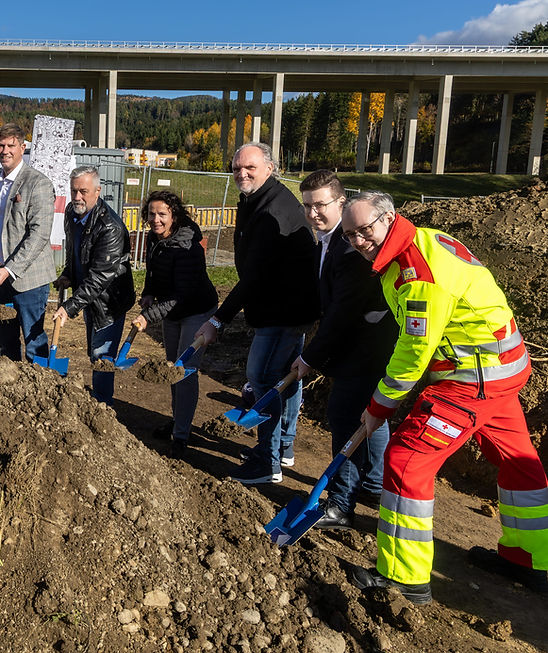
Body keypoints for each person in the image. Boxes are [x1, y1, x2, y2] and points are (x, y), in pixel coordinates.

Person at [341, 191, 548, 604]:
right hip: (502, 367)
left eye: (365, 230)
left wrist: (379, 406)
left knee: (405, 460)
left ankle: (403, 577)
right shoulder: (423, 239)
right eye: (349, 236)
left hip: (473, 379)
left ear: (388, 218)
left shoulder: (417, 274)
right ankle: (532, 559)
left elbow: (415, 351)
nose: (360, 241)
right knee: (518, 461)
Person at [195, 142, 318, 484]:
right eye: (236, 168)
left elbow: (256, 276)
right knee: (284, 379)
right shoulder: (258, 200)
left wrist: (219, 318)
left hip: (284, 308)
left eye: (249, 167)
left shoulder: (273, 211)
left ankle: (268, 461)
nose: (242, 173)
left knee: (262, 378)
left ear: (270, 167)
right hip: (283, 305)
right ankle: (283, 448)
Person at [289, 171, 397, 529]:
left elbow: (343, 312)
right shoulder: (331, 241)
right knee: (369, 418)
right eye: (307, 205)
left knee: (343, 417)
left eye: (320, 204)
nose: (313, 213)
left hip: (365, 348)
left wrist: (310, 358)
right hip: (362, 344)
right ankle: (375, 483)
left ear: (341, 202)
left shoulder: (350, 246)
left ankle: (341, 503)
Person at [132, 191, 218, 457]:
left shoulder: (186, 246)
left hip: (196, 310)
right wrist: (148, 291)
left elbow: (182, 295)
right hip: (171, 310)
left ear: (174, 215)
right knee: (172, 368)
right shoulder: (154, 237)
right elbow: (153, 270)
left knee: (185, 370)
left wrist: (148, 316)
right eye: (151, 214)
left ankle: (182, 435)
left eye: (162, 214)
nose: (155, 220)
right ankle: (178, 419)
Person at [53, 166, 135, 406]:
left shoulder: (110, 227)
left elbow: (100, 278)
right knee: (94, 352)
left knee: (101, 355)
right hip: (89, 297)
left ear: (97, 191)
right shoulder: (73, 212)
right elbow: (74, 248)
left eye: (83, 192)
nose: (77, 197)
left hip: (109, 301)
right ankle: (100, 398)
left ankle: (103, 407)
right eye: (74, 191)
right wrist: (69, 273)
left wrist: (69, 307)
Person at [0, 123, 57, 362]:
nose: (5, 150)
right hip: (0, 277)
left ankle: (39, 389)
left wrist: (10, 268)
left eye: (11, 145)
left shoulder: (38, 183)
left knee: (34, 342)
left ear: (23, 148)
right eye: (0, 145)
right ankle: (10, 387)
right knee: (6, 341)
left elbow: (39, 234)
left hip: (29, 279)